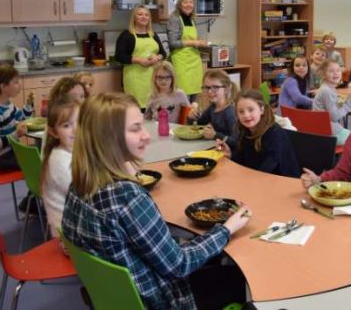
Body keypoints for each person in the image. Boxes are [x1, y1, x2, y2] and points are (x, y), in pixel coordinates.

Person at [62, 93, 251, 309]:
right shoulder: (126, 197)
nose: (146, 136)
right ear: (108, 138)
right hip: (162, 301)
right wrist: (226, 229)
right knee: (238, 276)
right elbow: (179, 265)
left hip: (117, 299)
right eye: (135, 129)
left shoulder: (77, 184)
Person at [216, 90, 300, 177]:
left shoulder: (275, 133)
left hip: (283, 182)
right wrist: (230, 155)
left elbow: (268, 169)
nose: (246, 115)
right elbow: (243, 160)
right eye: (241, 112)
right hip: (258, 179)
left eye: (251, 110)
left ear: (261, 110)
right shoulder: (245, 131)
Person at [40, 95, 80, 244]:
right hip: (69, 239)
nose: (76, 130)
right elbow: (89, 195)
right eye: (66, 125)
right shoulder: (60, 161)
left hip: (77, 226)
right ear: (54, 132)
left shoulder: (74, 151)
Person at [0, 64, 34, 170]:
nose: (19, 85)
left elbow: (22, 117)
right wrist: (16, 134)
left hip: (10, 151)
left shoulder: (8, 105)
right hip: (0, 158)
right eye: (15, 82)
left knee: (41, 155)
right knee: (38, 162)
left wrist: (28, 105)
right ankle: (35, 186)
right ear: (3, 87)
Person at [116, 5, 167, 109]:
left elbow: (163, 52)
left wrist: (157, 57)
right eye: (140, 14)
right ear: (134, 18)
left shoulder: (152, 34)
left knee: (153, 108)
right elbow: (119, 56)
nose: (144, 17)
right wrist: (138, 60)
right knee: (137, 108)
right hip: (134, 78)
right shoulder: (127, 35)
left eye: (146, 15)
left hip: (153, 77)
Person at [167, 0, 206, 100]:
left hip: (194, 62)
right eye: (185, 2)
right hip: (181, 62)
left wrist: (199, 43)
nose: (189, 5)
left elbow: (193, 41)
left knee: (195, 100)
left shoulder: (192, 19)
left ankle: (192, 117)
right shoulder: (174, 19)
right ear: (179, 5)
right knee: (183, 98)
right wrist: (193, 42)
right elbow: (173, 43)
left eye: (191, 2)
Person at [189, 69, 238, 148]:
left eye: (215, 87)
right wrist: (192, 117)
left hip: (228, 155)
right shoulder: (213, 107)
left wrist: (215, 135)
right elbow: (199, 125)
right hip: (216, 149)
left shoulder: (230, 113)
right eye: (207, 87)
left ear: (227, 89)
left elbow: (236, 142)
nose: (210, 92)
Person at [313, 59, 351, 146]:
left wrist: (344, 100)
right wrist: (349, 102)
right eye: (331, 71)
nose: (336, 73)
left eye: (338, 70)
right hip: (329, 132)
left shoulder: (328, 88)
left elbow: (334, 107)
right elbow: (335, 116)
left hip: (326, 129)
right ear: (324, 75)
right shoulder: (326, 91)